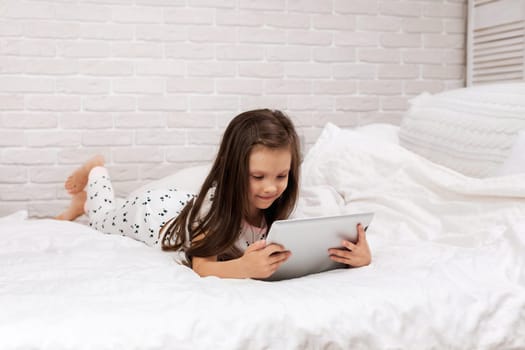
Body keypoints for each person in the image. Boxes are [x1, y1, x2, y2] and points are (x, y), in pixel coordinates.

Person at [56, 109, 371, 279]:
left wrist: (352, 258)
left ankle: (87, 199)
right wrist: (242, 269)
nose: (271, 187)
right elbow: (202, 267)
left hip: (184, 212)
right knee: (101, 219)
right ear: (234, 169)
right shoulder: (213, 212)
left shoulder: (278, 204)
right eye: (258, 176)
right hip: (153, 215)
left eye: (281, 176)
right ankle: (96, 173)